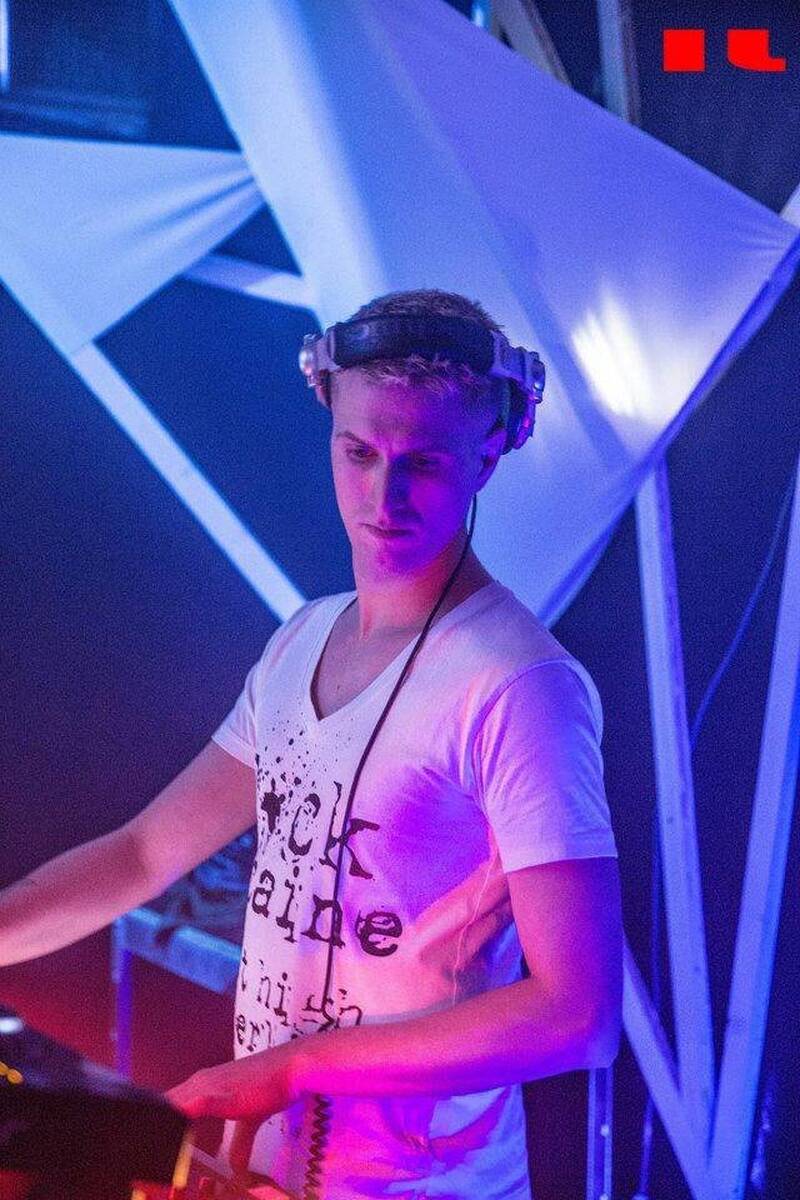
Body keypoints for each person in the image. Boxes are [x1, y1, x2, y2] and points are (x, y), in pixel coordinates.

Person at [0, 289, 622, 1200]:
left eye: (424, 463)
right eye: (359, 453)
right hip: (264, 1170)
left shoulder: (521, 687)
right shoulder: (300, 641)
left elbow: (578, 1014)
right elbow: (143, 853)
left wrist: (294, 1067)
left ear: (490, 452)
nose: (383, 496)